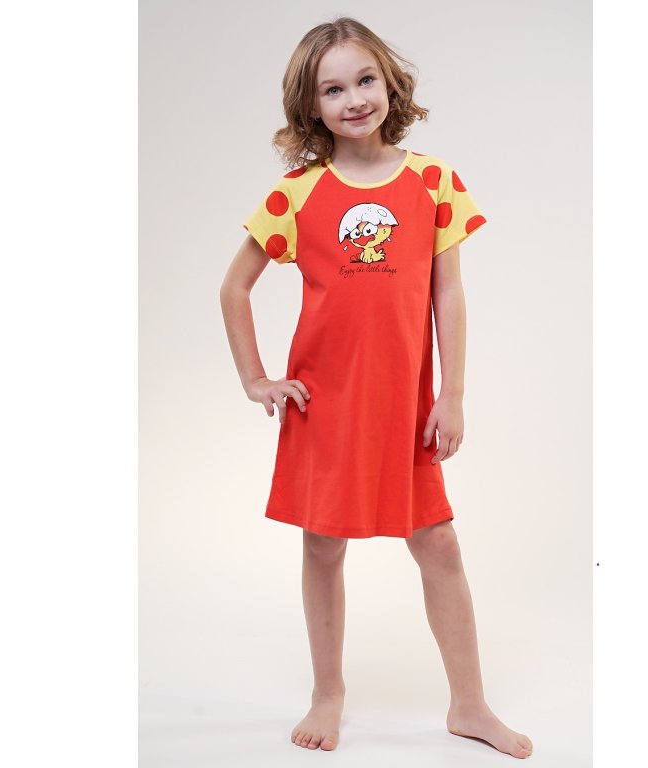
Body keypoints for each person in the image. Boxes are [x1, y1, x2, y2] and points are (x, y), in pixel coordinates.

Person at [219, 16, 533, 759]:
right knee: (323, 548)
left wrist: (452, 394)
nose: (354, 99)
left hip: (405, 408)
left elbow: (447, 294)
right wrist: (256, 378)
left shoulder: (434, 182)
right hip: (325, 407)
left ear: (390, 83)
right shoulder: (297, 194)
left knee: (439, 545)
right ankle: (327, 693)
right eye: (333, 89)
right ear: (311, 104)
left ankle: (469, 704)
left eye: (365, 80)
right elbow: (234, 288)